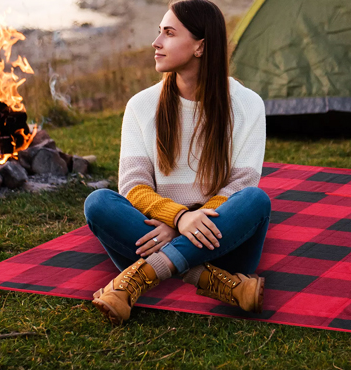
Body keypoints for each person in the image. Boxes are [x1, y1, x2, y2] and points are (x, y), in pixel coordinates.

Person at [83, 0, 270, 325]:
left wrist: (186, 222)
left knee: (255, 200)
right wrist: (179, 219)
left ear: (200, 46)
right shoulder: (141, 106)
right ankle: (210, 280)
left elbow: (241, 186)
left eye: (168, 33)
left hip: (222, 239)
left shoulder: (247, 105)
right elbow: (133, 187)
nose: (156, 43)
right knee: (99, 202)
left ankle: (142, 276)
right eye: (159, 32)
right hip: (159, 230)